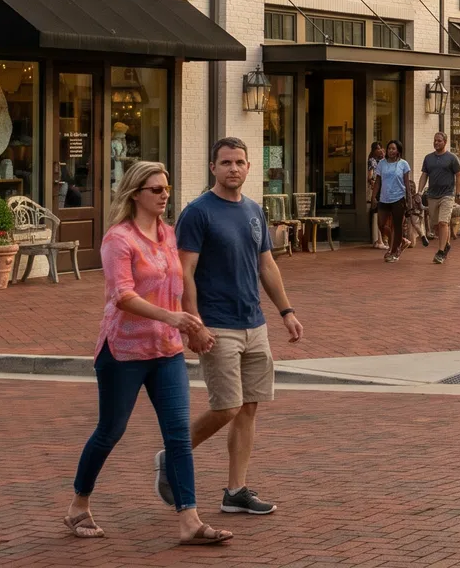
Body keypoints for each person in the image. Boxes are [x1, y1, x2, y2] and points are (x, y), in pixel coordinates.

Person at [64, 162, 231, 546]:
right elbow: (121, 295)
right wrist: (173, 317)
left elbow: (179, 283)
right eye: (156, 189)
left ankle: (189, 520)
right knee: (110, 431)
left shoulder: (168, 234)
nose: (164, 194)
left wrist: (194, 325)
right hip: (123, 351)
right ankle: (78, 505)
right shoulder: (118, 239)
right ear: (136, 193)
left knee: (177, 435)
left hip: (166, 350)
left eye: (167, 188)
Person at [176, 137, 303, 517]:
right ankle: (173, 452)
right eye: (226, 162)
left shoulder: (253, 210)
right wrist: (194, 323)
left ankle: (236, 491)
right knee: (227, 407)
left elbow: (267, 265)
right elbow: (185, 271)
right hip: (218, 325)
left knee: (249, 407)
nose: (234, 168)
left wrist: (286, 311)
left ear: (249, 168)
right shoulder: (198, 212)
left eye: (240, 162)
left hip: (254, 323)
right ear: (213, 168)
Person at [420, 132, 460, 265]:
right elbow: (424, 175)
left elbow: (459, 175)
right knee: (436, 226)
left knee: (443, 222)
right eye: (434, 140)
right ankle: (446, 244)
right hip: (432, 195)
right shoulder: (428, 158)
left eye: (439, 141)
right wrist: (419, 191)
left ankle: (440, 252)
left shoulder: (451, 158)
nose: (436, 143)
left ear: (445, 142)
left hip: (447, 195)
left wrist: (458, 194)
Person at [369, 140, 414, 264]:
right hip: (384, 198)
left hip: (399, 198)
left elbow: (407, 184)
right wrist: (374, 197)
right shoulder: (382, 164)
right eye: (389, 148)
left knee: (397, 226)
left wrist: (409, 202)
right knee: (382, 225)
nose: (391, 151)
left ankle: (394, 251)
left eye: (394, 149)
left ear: (398, 151)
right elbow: (377, 181)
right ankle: (401, 241)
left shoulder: (403, 164)